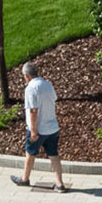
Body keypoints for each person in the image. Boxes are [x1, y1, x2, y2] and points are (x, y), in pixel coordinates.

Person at [14, 58, 67, 191]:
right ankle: (60, 184)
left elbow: (33, 110)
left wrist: (33, 131)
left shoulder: (30, 88)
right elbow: (53, 99)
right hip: (52, 127)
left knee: (30, 153)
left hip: (39, 129)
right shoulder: (48, 84)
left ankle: (24, 179)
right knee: (53, 154)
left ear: (27, 76)